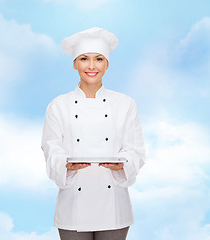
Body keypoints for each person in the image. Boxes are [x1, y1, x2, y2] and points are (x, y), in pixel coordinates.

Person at [41, 27, 145, 240]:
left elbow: (135, 148)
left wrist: (123, 164)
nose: (91, 66)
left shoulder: (124, 104)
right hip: (73, 206)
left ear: (107, 64)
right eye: (84, 59)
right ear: (74, 64)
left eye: (98, 59)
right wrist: (65, 164)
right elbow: (51, 148)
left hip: (113, 205)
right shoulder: (58, 105)